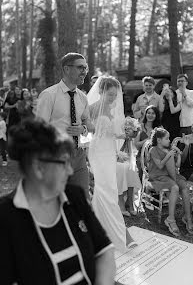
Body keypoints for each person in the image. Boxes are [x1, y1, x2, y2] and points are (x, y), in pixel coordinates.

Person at [0, 118, 115, 285]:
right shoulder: (6, 217)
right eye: (64, 163)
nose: (70, 170)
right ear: (38, 168)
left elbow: (104, 249)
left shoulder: (74, 196)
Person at [88, 76, 137, 251]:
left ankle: (98, 228)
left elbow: (111, 134)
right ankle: (119, 232)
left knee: (109, 189)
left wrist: (126, 135)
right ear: (100, 91)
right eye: (109, 95)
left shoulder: (111, 108)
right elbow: (88, 131)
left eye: (115, 95)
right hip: (97, 153)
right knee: (105, 189)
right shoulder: (92, 108)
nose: (112, 98)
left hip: (108, 152)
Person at [36, 52, 93, 199]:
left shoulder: (82, 97)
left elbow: (89, 126)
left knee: (82, 200)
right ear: (67, 69)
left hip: (79, 156)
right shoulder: (48, 95)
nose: (84, 72)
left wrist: (83, 129)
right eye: (81, 67)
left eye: (86, 68)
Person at [148, 127, 193, 236]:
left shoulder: (168, 149)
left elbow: (177, 165)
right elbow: (160, 165)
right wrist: (168, 156)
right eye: (167, 138)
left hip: (171, 175)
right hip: (158, 176)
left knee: (184, 187)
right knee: (175, 187)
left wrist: (178, 155)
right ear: (159, 140)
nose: (169, 140)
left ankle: (188, 218)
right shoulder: (154, 150)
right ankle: (171, 219)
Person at [135, 105, 161, 182]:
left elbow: (162, 144)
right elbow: (136, 145)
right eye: (148, 113)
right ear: (145, 114)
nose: (150, 115)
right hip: (142, 156)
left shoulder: (159, 128)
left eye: (153, 113)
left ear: (156, 115)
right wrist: (148, 139)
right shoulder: (140, 126)